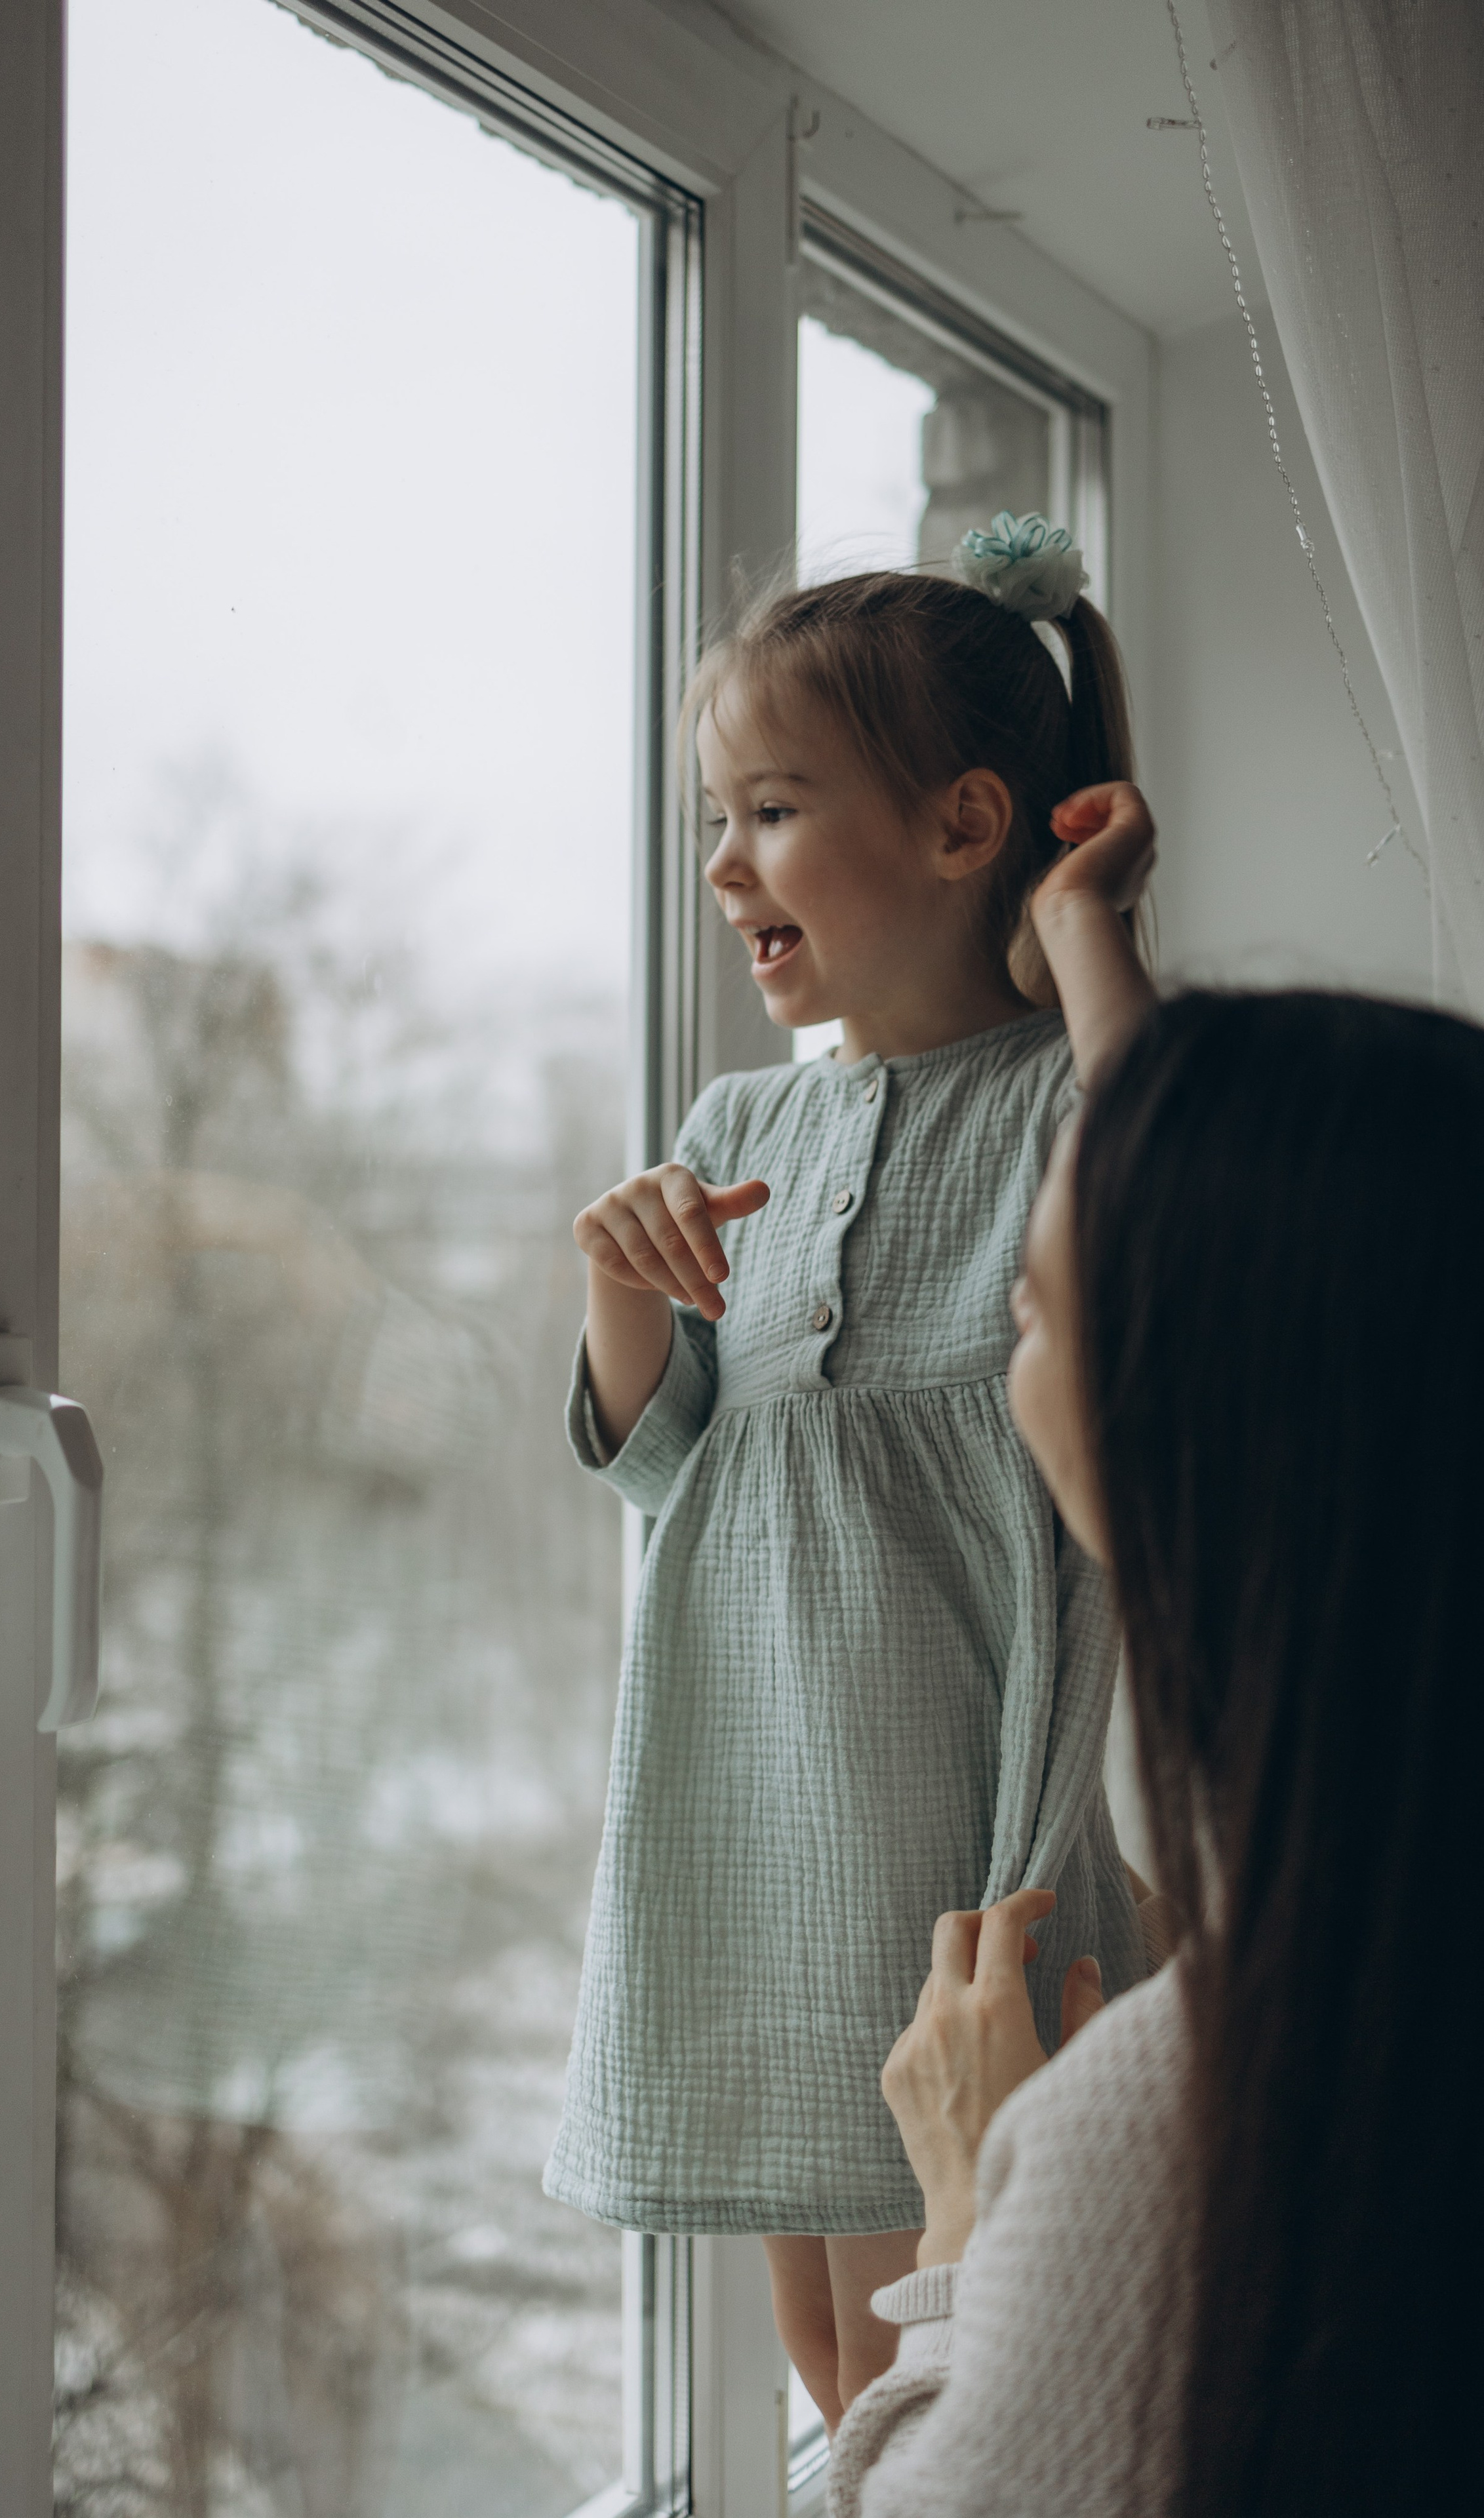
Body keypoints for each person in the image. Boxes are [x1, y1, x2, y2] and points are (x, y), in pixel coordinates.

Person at [542, 514, 1165, 2423]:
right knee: (833, 2369)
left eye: (774, 809)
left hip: (958, 1867)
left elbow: (1174, 1250)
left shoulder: (1079, 1095)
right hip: (748, 1840)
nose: (727, 863)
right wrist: (622, 1274)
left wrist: (1086, 934)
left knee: (976, 2360)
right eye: (713, 821)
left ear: (968, 824)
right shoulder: (742, 1125)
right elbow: (672, 1467)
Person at [831, 987, 1484, 2516]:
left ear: (1189, 1423)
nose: (1010, 1356)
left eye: (1035, 1313)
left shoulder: (1188, 2124)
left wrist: (962, 2231)